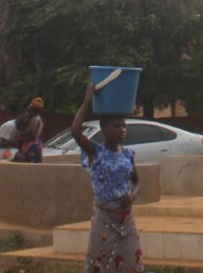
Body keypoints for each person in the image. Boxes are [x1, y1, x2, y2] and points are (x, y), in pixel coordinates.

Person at [71, 84, 144, 273]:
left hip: (125, 217)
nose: (122, 130)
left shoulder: (127, 154)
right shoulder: (95, 152)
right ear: (104, 130)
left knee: (132, 260)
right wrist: (87, 100)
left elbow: (137, 181)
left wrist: (133, 196)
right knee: (100, 262)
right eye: (116, 126)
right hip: (104, 217)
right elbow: (75, 131)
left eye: (124, 126)